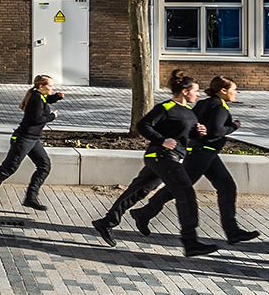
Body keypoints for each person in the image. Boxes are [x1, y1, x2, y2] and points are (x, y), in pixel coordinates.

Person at [91, 73, 217, 257]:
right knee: (186, 193)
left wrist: (200, 133)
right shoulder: (166, 107)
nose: (198, 95)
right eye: (195, 91)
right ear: (185, 91)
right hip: (161, 156)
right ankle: (191, 243)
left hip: (170, 158)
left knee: (138, 191)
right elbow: (143, 125)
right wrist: (162, 139)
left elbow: (184, 136)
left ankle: (108, 222)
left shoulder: (189, 112)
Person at [136, 74, 259, 243]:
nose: (236, 93)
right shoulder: (220, 107)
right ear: (223, 91)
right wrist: (233, 126)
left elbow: (192, 123)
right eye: (234, 90)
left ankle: (233, 231)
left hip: (203, 153)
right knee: (181, 189)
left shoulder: (203, 103)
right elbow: (215, 131)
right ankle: (144, 213)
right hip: (203, 154)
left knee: (226, 187)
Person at [0, 73, 61, 211]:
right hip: (23, 139)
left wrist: (56, 97)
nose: (53, 88)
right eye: (50, 86)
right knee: (9, 167)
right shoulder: (36, 99)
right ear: (41, 86)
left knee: (44, 166)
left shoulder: (39, 95)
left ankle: (31, 198)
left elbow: (46, 99)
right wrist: (52, 116)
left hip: (33, 139)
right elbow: (36, 119)